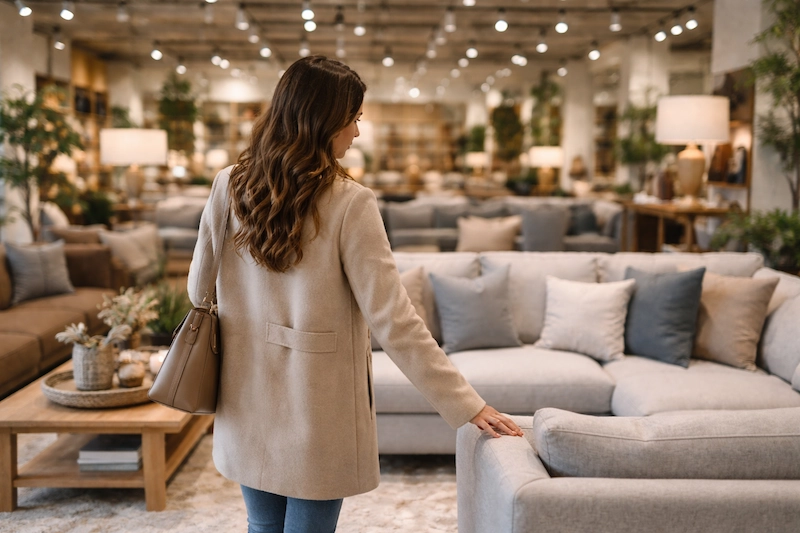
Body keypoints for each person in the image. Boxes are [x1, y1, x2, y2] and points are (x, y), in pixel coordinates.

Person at [188, 55, 523, 533]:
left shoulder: (228, 184)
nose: (357, 134)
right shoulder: (351, 202)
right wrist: (468, 404)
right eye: (354, 119)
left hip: (243, 389)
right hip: (317, 402)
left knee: (262, 526)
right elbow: (395, 321)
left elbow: (197, 286)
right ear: (323, 122)